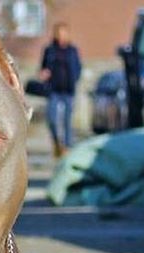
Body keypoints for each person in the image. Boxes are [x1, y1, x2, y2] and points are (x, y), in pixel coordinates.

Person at [39, 23, 82, 158]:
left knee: (67, 121)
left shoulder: (72, 50)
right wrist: (44, 74)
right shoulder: (50, 50)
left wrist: (75, 79)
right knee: (52, 118)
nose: (62, 36)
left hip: (68, 90)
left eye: (64, 33)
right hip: (54, 90)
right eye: (59, 33)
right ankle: (57, 143)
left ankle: (67, 148)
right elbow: (43, 67)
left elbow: (78, 67)